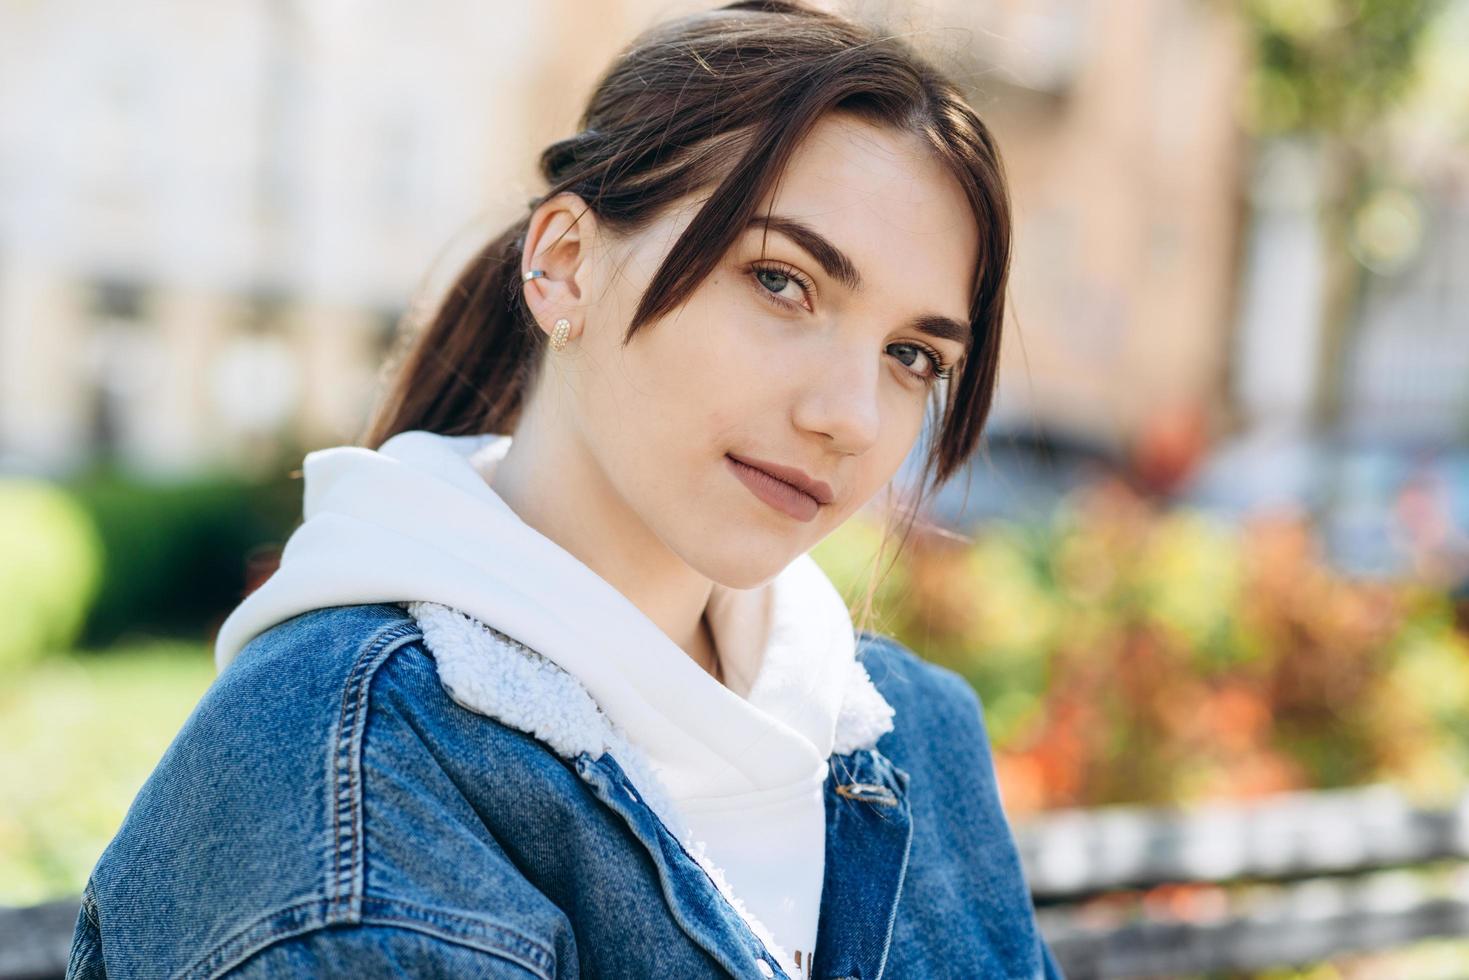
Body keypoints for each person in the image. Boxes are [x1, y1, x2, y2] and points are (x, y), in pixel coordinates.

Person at [67, 1, 1064, 977]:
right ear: (564, 264)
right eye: (780, 281)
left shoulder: (911, 733)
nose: (848, 414)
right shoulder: (339, 769)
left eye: (911, 356)